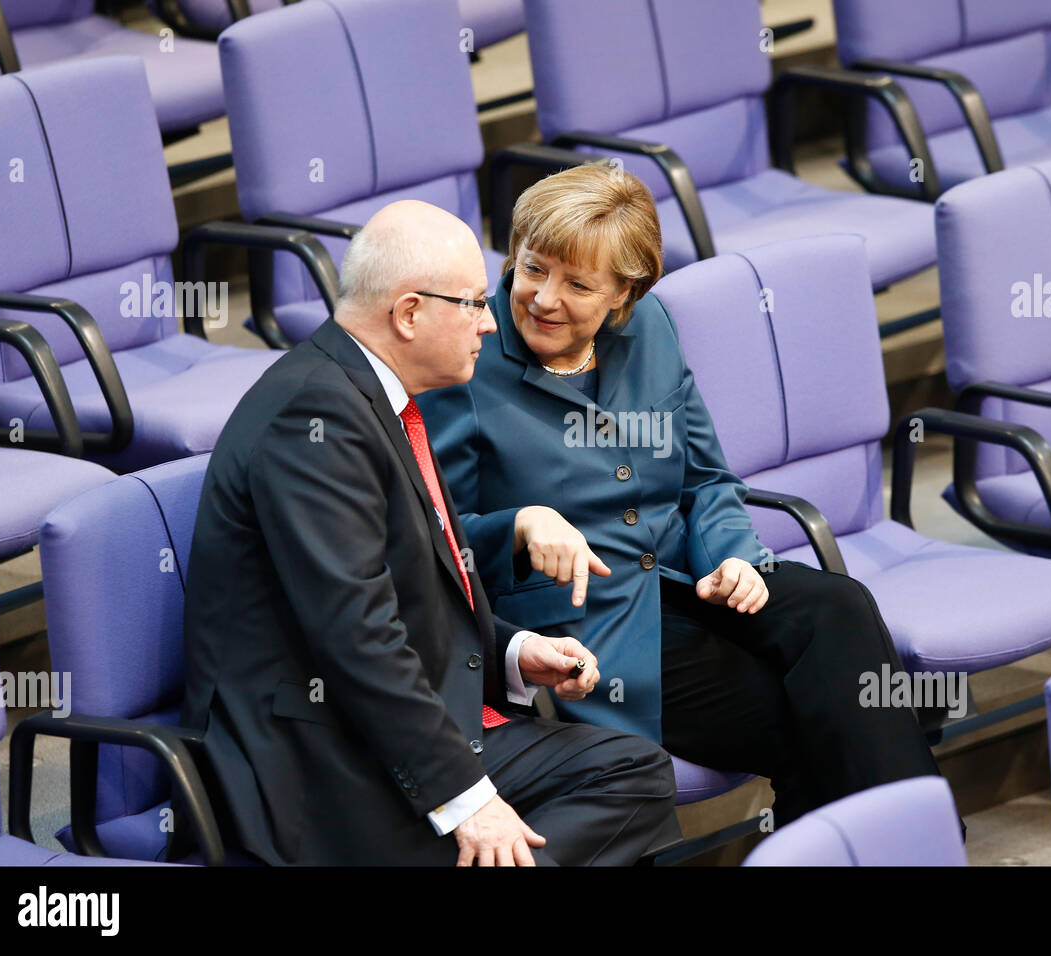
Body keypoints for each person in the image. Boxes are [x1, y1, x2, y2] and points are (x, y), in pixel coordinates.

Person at [417, 166, 944, 827]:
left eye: (578, 284)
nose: (544, 298)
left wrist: (733, 557)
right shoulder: (466, 361)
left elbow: (705, 479)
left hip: (688, 577)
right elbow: (440, 542)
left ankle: (908, 840)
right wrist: (520, 526)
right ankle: (918, 840)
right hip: (590, 622)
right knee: (828, 715)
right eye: (532, 269)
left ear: (625, 293)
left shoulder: (652, 329)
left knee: (838, 606)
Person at [177, 200, 680, 865]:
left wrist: (512, 651)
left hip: (411, 720)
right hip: (323, 759)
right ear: (410, 313)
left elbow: (414, 589)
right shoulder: (312, 417)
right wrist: (469, 801)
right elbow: (357, 636)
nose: (490, 322)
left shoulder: (376, 396)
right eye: (473, 304)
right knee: (510, 836)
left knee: (633, 773)